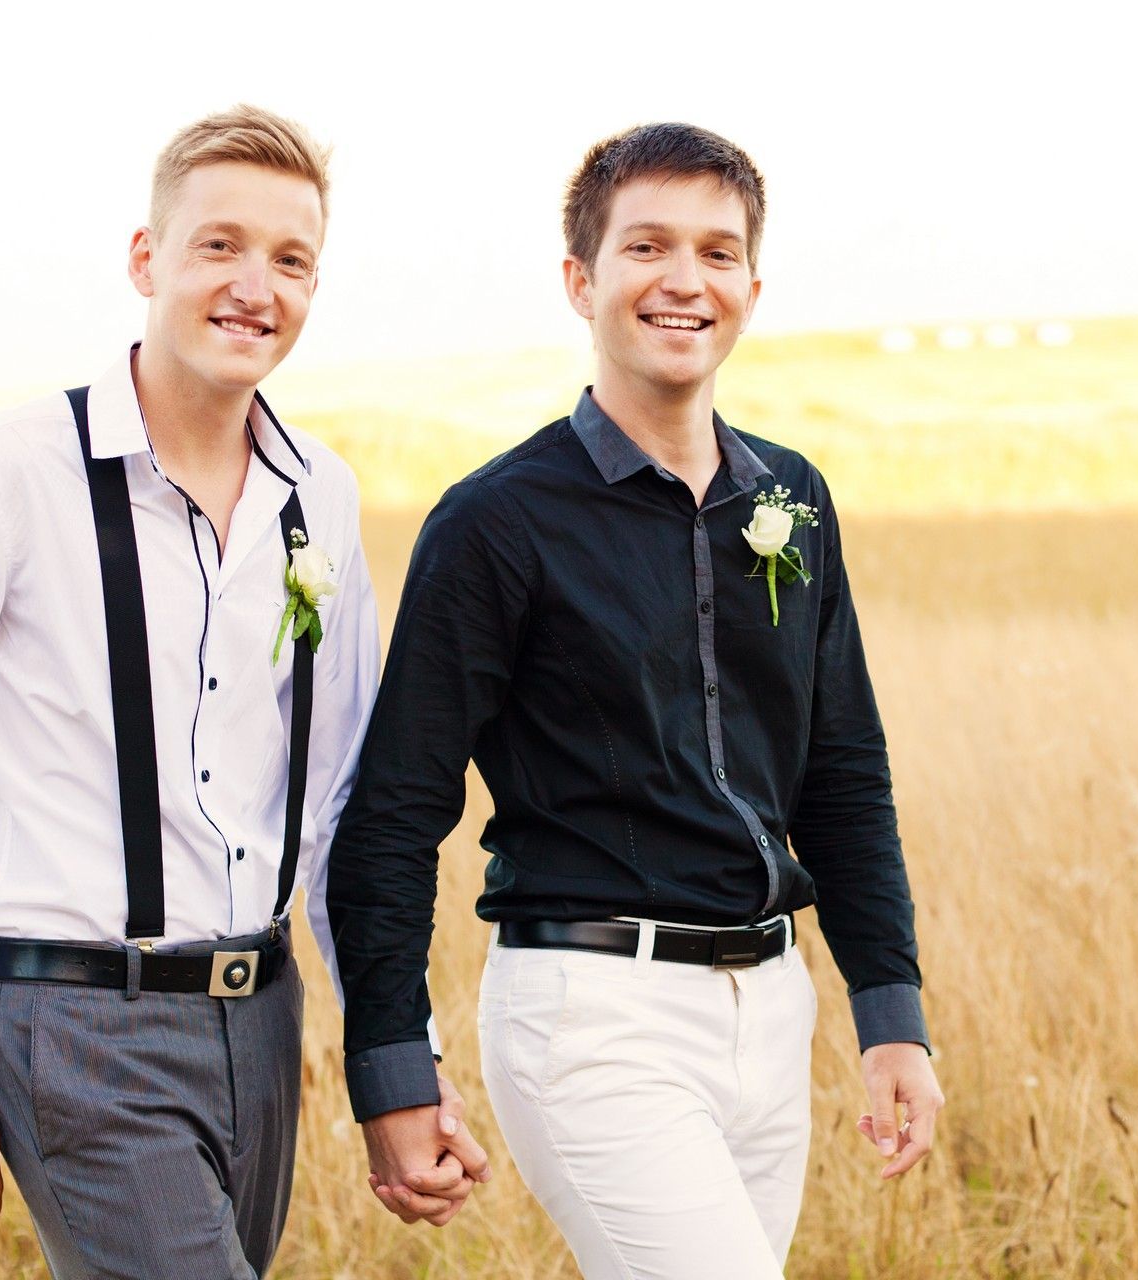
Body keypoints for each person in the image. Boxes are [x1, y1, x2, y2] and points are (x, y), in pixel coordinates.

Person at [0, 104, 483, 1280]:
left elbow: (339, 812)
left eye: (291, 258)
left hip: (262, 1020)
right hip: (76, 1028)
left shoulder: (325, 495)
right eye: (220, 244)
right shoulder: (3, 473)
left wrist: (391, 1062)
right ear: (146, 259)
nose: (255, 283)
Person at [327, 122, 943, 1277]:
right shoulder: (496, 522)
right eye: (647, 245)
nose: (683, 280)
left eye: (716, 252)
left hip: (772, 1007)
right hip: (595, 1014)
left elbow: (844, 769)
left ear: (751, 288)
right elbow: (398, 808)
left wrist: (889, 1006)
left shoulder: (794, 499)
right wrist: (393, 1065)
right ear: (583, 279)